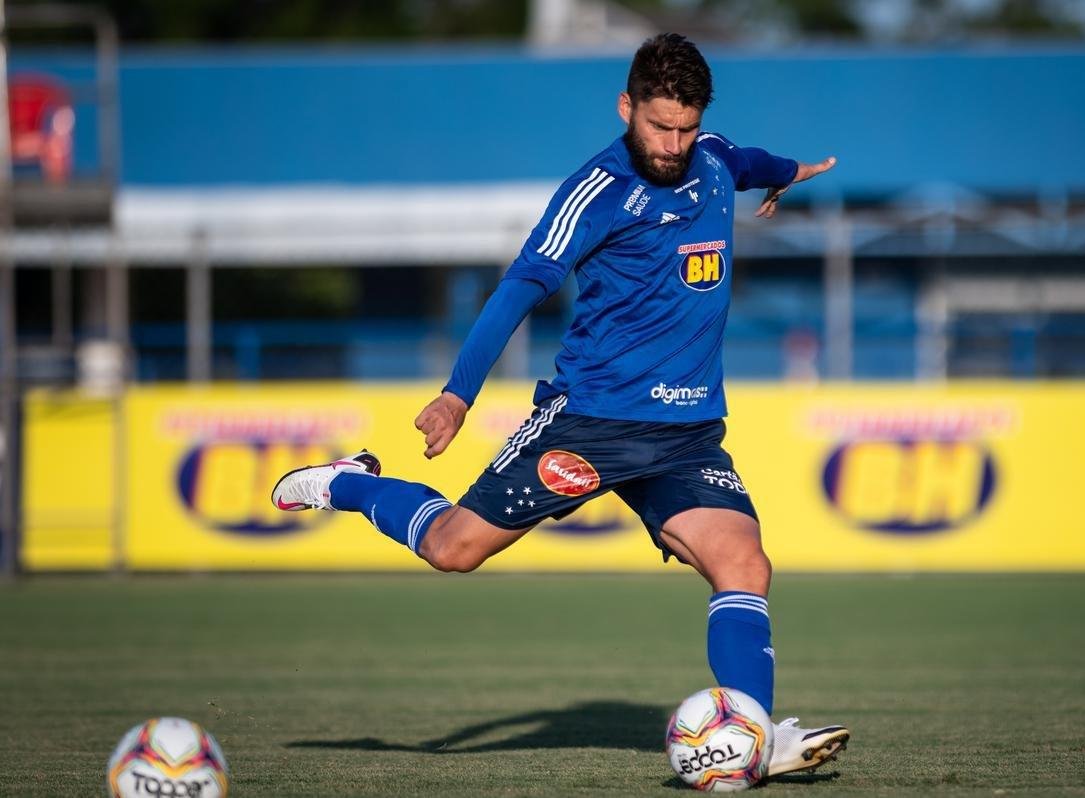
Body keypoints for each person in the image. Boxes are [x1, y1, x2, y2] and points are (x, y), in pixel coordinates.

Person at [271, 32, 848, 776]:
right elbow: (520, 286)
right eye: (657, 126)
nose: (672, 144)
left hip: (686, 435)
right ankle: (350, 482)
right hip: (590, 421)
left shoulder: (710, 159)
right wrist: (457, 396)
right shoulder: (597, 191)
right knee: (454, 550)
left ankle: (753, 738)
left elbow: (749, 163)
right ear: (626, 107)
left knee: (745, 565)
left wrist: (792, 172)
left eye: (686, 127)